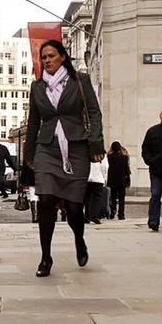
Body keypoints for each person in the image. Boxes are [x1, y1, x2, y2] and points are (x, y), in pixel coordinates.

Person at [24, 39, 104, 277]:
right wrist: (29, 154)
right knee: (46, 199)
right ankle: (45, 257)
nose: (47, 60)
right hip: (47, 148)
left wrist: (96, 143)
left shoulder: (80, 81)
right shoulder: (37, 87)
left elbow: (94, 112)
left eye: (51, 56)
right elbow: (33, 122)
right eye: (43, 57)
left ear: (62, 57)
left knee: (73, 207)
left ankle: (79, 238)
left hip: (77, 148)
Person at [106, 141, 131, 219]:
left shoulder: (108, 157)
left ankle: (113, 211)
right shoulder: (124, 158)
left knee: (113, 198)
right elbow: (127, 170)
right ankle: (121, 214)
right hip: (122, 180)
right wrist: (129, 180)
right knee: (121, 199)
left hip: (112, 180)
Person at [85, 154, 108, 224]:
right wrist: (104, 177)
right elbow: (105, 167)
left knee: (87, 198)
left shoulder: (87, 152)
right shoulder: (102, 154)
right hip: (98, 178)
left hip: (88, 178)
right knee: (97, 198)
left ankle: (87, 216)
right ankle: (94, 215)